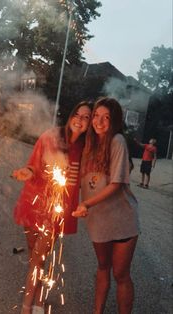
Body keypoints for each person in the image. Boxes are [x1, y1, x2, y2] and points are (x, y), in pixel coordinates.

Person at [12, 101, 92, 314]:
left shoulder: (85, 148)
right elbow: (33, 164)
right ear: (71, 115)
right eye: (78, 114)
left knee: (38, 258)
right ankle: (38, 297)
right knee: (35, 257)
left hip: (56, 211)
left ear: (89, 124)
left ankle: (26, 307)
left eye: (86, 117)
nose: (80, 120)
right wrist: (27, 171)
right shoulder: (51, 136)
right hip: (33, 203)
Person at [72, 97, 139, 314]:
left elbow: (117, 184)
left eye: (106, 117)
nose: (99, 121)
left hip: (121, 220)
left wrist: (86, 203)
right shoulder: (88, 145)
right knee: (102, 267)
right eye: (96, 116)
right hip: (97, 220)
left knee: (120, 274)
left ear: (115, 121)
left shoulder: (117, 141)